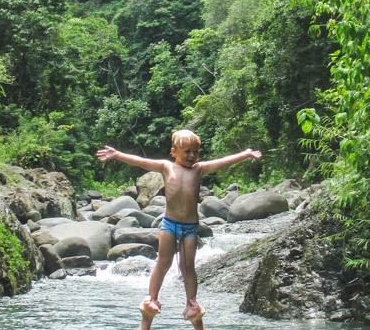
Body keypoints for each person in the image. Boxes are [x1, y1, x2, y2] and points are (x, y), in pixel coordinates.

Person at [96, 129, 262, 319]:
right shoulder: (166, 168)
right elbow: (141, 162)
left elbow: (222, 163)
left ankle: (191, 302)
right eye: (187, 152)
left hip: (190, 228)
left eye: (196, 152)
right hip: (169, 224)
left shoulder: (199, 170)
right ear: (174, 151)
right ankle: (152, 297)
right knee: (163, 262)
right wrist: (117, 155)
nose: (192, 156)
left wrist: (246, 153)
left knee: (187, 266)